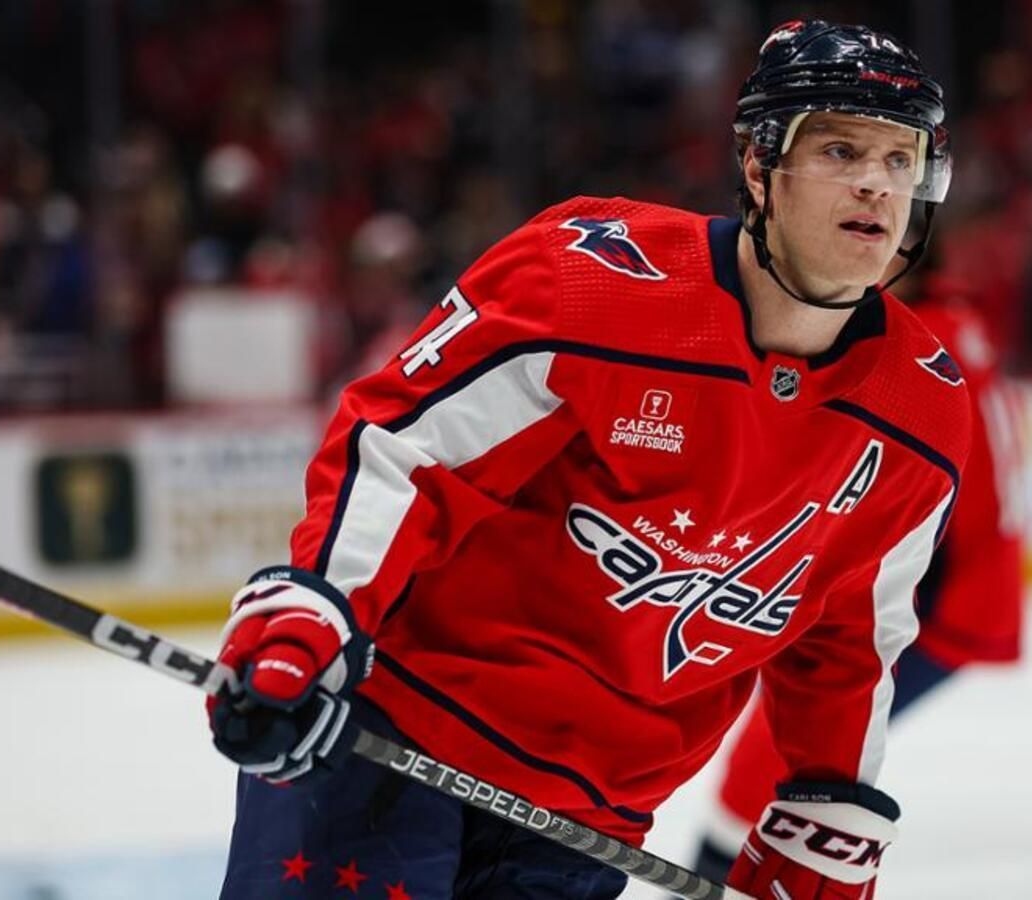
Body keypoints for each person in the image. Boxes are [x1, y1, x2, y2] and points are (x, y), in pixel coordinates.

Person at [207, 19, 969, 899]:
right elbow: (406, 452)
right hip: (393, 735)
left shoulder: (921, 408)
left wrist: (831, 809)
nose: (877, 183)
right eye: (841, 150)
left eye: (901, 159)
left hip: (590, 817)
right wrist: (316, 608)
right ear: (760, 166)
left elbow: (851, 638)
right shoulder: (595, 280)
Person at [686, 254, 1027, 888]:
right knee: (788, 746)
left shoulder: (922, 342)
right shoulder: (953, 321)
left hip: (944, 595)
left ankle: (716, 876)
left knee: (786, 748)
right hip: (970, 586)